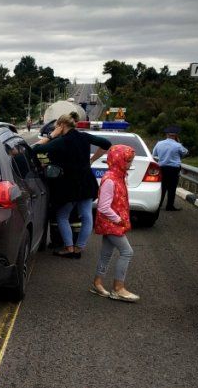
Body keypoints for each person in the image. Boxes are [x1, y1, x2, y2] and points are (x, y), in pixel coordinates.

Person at [33, 112, 112, 258]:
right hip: (87, 181)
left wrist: (51, 136)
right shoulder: (84, 136)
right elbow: (106, 144)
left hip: (70, 184)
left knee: (62, 215)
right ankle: (79, 248)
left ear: (62, 125)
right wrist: (92, 160)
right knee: (87, 215)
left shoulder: (62, 141)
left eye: (57, 126)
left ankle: (68, 248)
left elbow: (35, 149)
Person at [91, 144, 139, 302]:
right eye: (127, 161)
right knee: (127, 252)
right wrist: (119, 220)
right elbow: (103, 206)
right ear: (118, 160)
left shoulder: (118, 176)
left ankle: (97, 283)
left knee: (106, 253)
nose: (130, 164)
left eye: (131, 161)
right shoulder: (111, 180)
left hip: (110, 223)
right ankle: (118, 288)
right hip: (111, 223)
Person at [152, 125, 189, 211]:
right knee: (172, 188)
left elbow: (154, 154)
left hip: (162, 168)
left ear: (167, 135)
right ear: (176, 136)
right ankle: (169, 206)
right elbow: (186, 152)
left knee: (162, 187)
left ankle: (159, 204)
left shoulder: (159, 143)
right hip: (173, 169)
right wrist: (179, 142)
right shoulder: (178, 145)